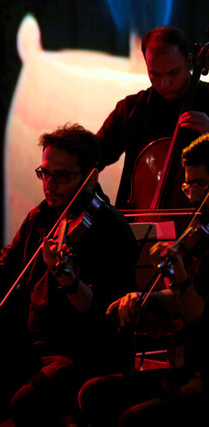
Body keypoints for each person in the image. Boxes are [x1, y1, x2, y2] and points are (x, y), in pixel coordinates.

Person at [0, 124, 138, 427]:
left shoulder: (110, 227)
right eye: (44, 173)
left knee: (26, 403)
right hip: (31, 349)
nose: (49, 184)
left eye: (61, 176)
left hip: (83, 353)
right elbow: (3, 262)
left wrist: (69, 280)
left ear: (91, 175)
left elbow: (104, 313)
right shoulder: (42, 215)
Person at [78, 133, 209, 427]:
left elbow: (200, 316)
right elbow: (184, 300)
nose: (193, 196)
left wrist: (181, 280)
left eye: (200, 184)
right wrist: (144, 299)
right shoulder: (201, 234)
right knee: (95, 392)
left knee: (133, 419)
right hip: (188, 371)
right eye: (189, 185)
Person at [98, 26, 209, 210]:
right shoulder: (130, 109)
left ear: (189, 61)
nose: (165, 83)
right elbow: (91, 159)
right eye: (155, 74)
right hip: (138, 228)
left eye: (173, 73)